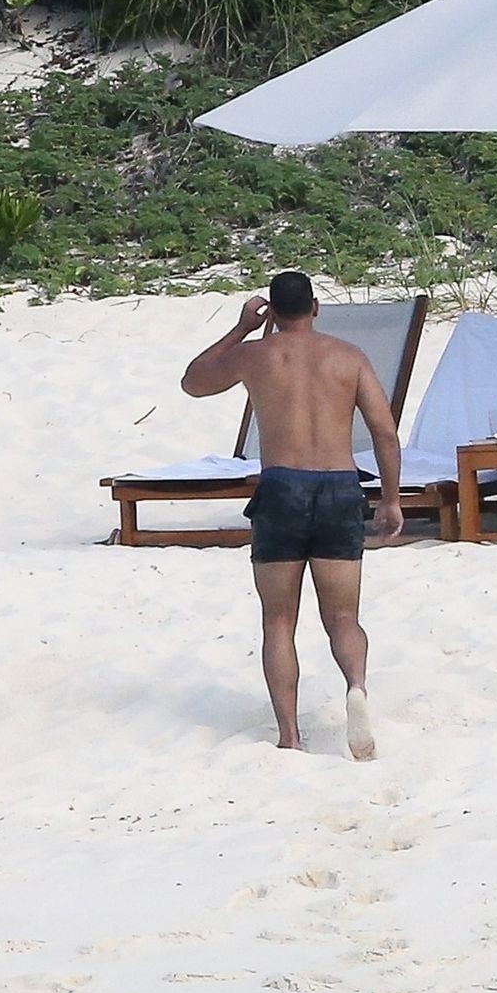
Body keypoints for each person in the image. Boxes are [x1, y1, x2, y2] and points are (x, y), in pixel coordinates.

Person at [180, 272, 404, 759]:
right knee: (343, 616)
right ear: (316, 307)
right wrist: (390, 498)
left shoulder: (255, 355)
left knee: (279, 620)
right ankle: (356, 686)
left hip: (281, 488)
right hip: (339, 487)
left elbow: (193, 382)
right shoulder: (349, 357)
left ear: (273, 311)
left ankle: (290, 735)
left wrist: (242, 328)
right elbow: (385, 432)